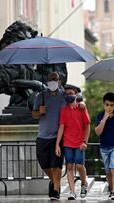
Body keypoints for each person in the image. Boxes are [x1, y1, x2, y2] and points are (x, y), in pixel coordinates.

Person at [32, 72, 85, 200]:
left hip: (59, 137)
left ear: (59, 81)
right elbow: (34, 114)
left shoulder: (64, 95)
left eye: (55, 79)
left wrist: (82, 104)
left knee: (56, 164)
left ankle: (56, 189)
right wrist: (40, 111)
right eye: (50, 80)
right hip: (43, 136)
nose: (52, 82)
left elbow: (77, 98)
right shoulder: (40, 96)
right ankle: (54, 181)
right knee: (44, 164)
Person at [55, 85, 91, 200]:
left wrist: (85, 141)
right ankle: (72, 191)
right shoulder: (64, 110)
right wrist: (57, 144)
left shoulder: (82, 108)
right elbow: (61, 127)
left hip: (80, 142)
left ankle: (84, 183)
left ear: (76, 94)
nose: (69, 95)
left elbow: (87, 126)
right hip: (67, 143)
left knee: (80, 165)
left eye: (71, 93)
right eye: (67, 94)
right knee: (69, 166)